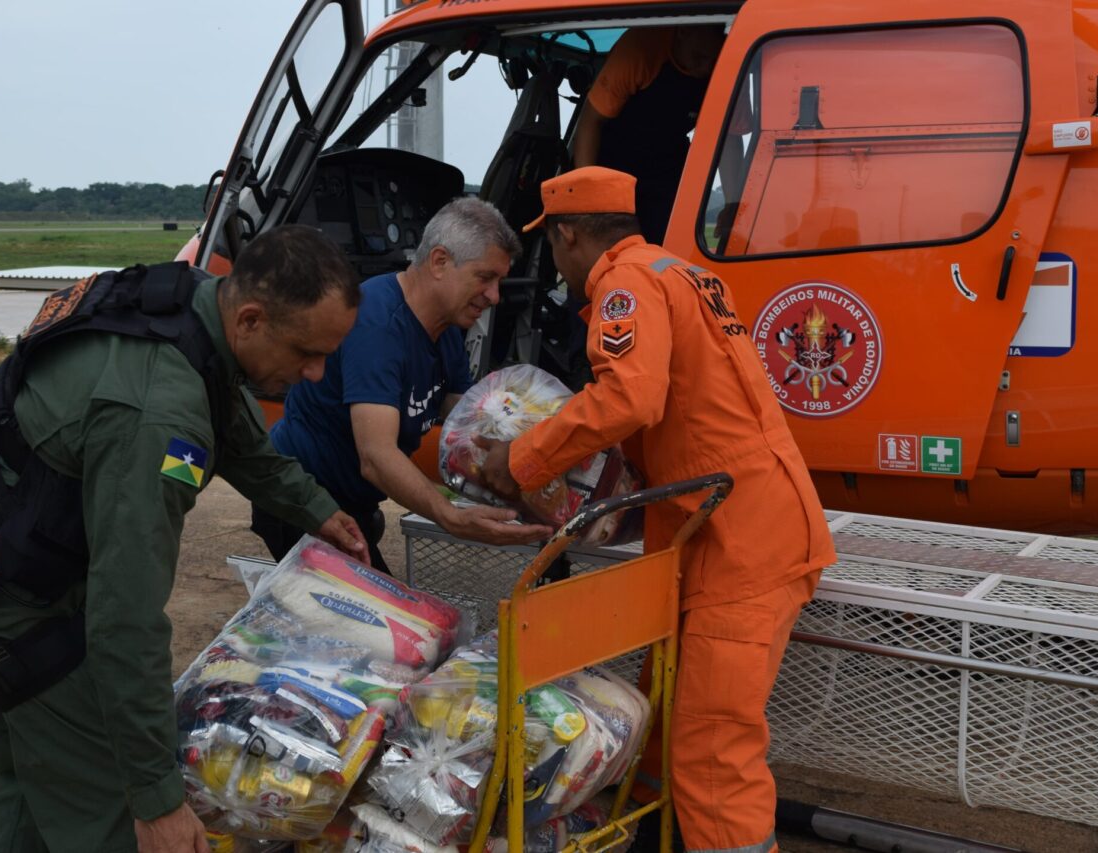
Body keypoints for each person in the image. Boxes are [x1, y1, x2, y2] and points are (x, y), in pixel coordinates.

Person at [0, 225, 372, 853]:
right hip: (19, 605)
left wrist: (320, 512)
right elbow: (125, 620)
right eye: (306, 352)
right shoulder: (158, 419)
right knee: (108, 811)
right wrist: (154, 800)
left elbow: (237, 434)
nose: (314, 374)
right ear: (253, 319)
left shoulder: (199, 308)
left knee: (32, 782)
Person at [477, 167, 836, 852]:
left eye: (552, 246)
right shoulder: (681, 271)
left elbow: (629, 400)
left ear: (570, 234)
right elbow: (677, 409)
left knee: (708, 752)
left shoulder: (627, 284)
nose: (555, 261)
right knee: (661, 713)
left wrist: (523, 459)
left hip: (742, 545)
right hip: (729, 528)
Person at [252, 197, 552, 570]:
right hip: (301, 499)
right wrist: (449, 515)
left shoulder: (445, 326)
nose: (495, 296)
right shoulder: (377, 325)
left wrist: (531, 446)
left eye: (499, 281)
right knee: (373, 624)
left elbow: (466, 414)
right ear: (440, 262)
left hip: (352, 501)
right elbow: (376, 458)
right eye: (485, 278)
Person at [571, 25, 730, 244]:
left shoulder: (725, 68)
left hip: (667, 165)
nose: (705, 69)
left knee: (663, 244)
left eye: (714, 62)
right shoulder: (640, 49)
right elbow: (590, 122)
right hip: (616, 159)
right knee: (607, 242)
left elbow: (731, 139)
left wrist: (732, 202)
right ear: (682, 31)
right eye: (699, 57)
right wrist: (587, 191)